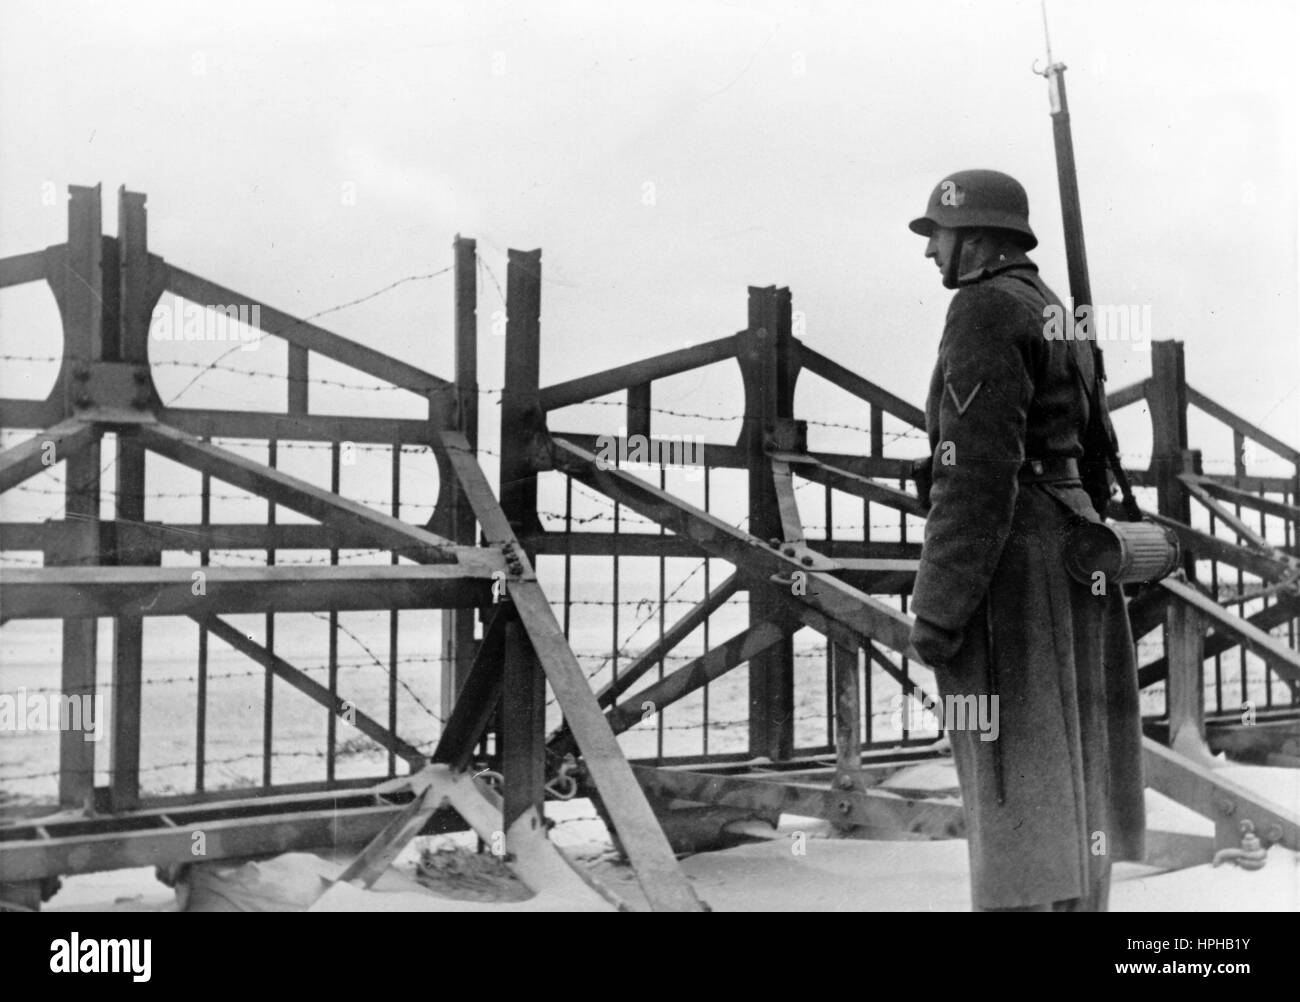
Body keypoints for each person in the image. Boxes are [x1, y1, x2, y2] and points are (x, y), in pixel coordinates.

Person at [906, 169, 1145, 911]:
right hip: (1077, 549)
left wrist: (939, 609)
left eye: (936, 236)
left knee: (1013, 771)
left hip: (1018, 563)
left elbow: (976, 474)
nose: (929, 253)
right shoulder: (1054, 312)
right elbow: (1094, 443)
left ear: (973, 236)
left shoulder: (981, 308)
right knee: (1074, 767)